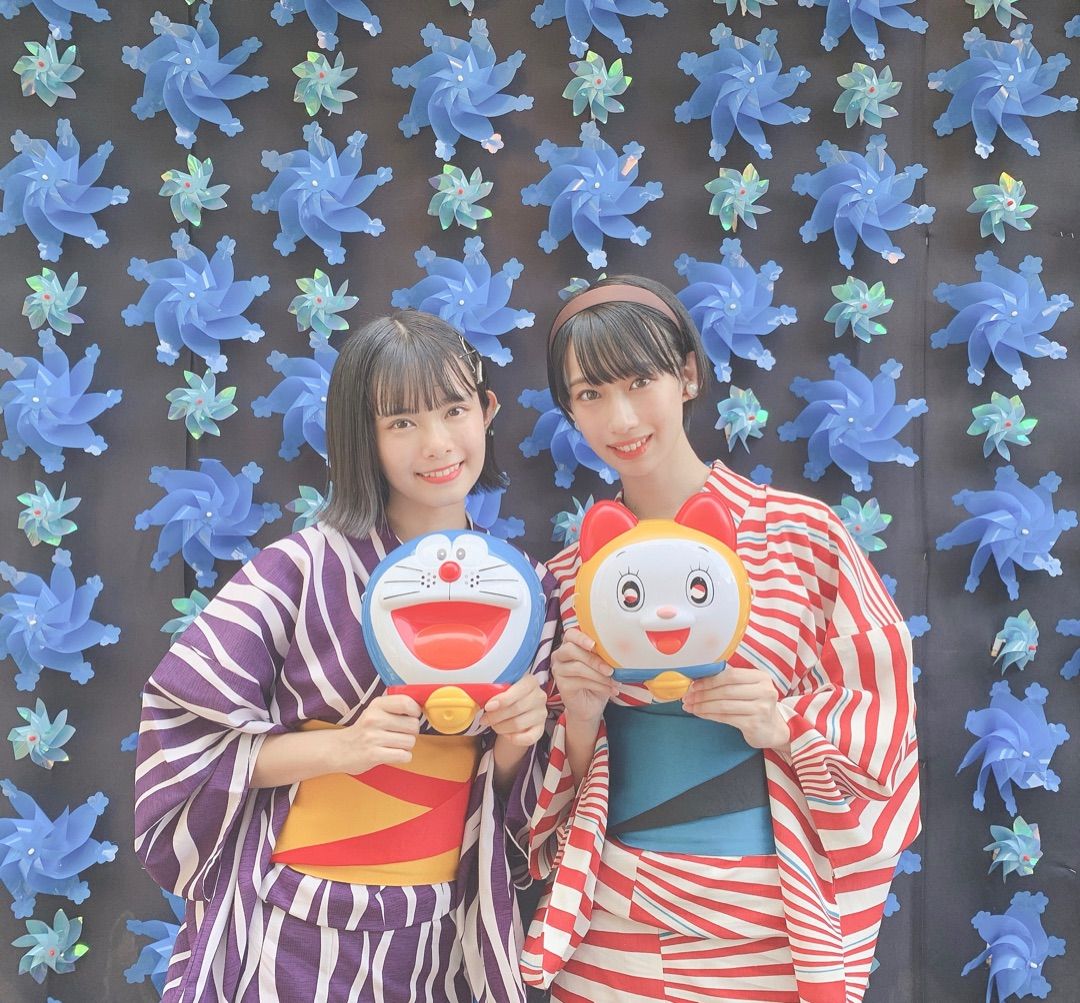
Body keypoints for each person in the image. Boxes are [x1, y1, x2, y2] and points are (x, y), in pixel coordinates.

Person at [133, 311, 556, 1003]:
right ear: (363, 436)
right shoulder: (297, 568)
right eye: (402, 422)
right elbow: (188, 733)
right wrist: (341, 748)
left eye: (455, 410)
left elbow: (512, 798)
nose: (438, 443)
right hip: (291, 926)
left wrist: (516, 739)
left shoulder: (525, 586)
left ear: (488, 410)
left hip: (438, 930)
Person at [521, 277, 920, 1003]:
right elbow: (542, 795)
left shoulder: (803, 535)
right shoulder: (566, 578)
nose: (621, 417)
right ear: (569, 410)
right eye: (590, 394)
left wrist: (782, 724)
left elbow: (881, 724)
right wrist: (578, 718)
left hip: (766, 921)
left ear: (687, 375)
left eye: (640, 381)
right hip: (615, 920)